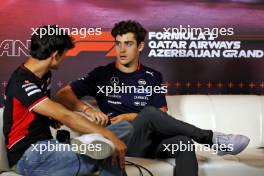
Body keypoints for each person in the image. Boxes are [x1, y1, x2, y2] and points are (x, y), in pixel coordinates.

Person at [56, 20, 250, 176]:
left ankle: (213, 140)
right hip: (121, 140)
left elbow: (162, 113)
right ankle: (212, 139)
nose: (121, 50)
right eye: (118, 43)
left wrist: (131, 116)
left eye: (128, 44)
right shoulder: (101, 74)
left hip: (148, 143)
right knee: (149, 112)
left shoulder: (152, 76)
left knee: (183, 142)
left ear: (140, 46)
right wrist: (88, 110)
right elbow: (63, 94)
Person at [3, 25, 134, 176]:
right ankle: (97, 145)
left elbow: (35, 113)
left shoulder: (45, 75)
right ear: (56, 54)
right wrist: (109, 136)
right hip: (30, 156)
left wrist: (49, 118)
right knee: (110, 147)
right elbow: (66, 116)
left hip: (52, 147)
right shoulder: (21, 82)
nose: (64, 59)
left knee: (125, 128)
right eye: (65, 54)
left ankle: (95, 145)